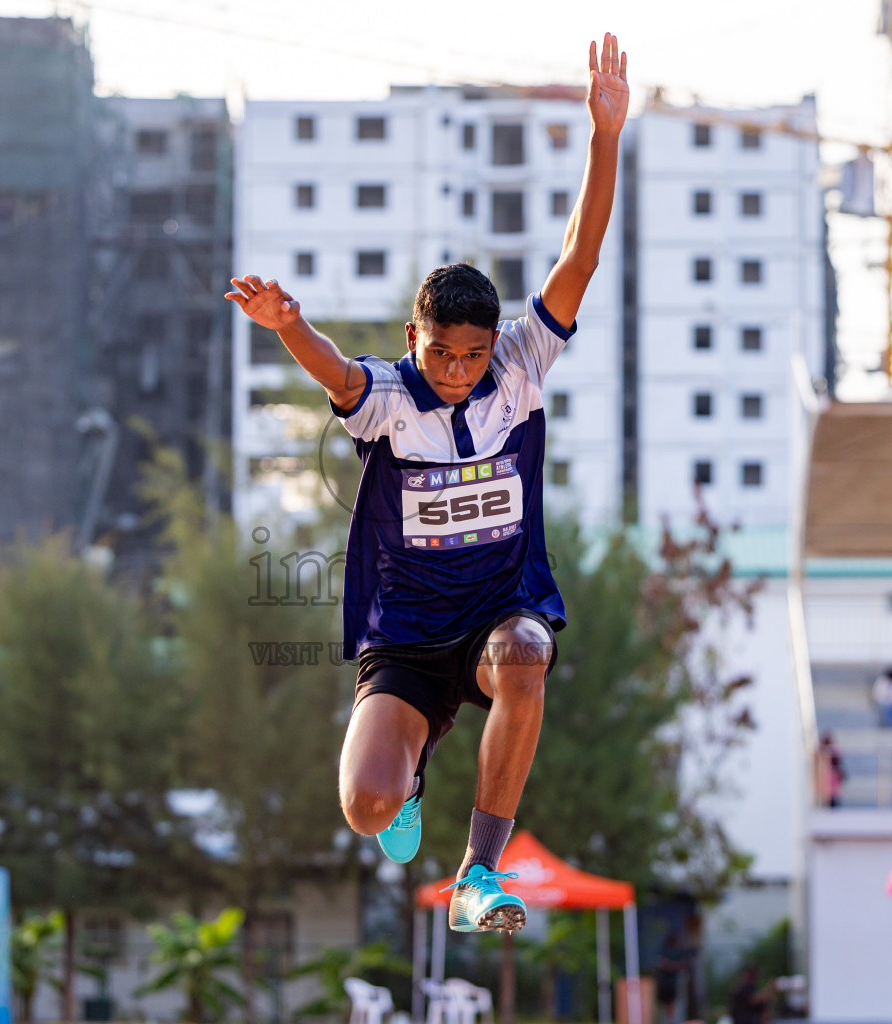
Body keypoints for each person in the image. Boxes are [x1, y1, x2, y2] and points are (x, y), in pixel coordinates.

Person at [223, 34, 630, 935]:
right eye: (440, 352)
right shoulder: (389, 398)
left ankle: (479, 874)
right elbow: (335, 374)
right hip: (407, 631)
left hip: (498, 610)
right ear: (414, 338)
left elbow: (580, 258)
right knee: (365, 808)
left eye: (471, 356)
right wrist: (288, 324)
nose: (455, 370)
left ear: (494, 349)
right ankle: (405, 781)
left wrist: (605, 136)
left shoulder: (522, 368)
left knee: (527, 655)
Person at [815, 732, 845, 807]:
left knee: (832, 798)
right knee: (830, 798)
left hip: (831, 778)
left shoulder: (831, 751)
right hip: (828, 779)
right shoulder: (831, 751)